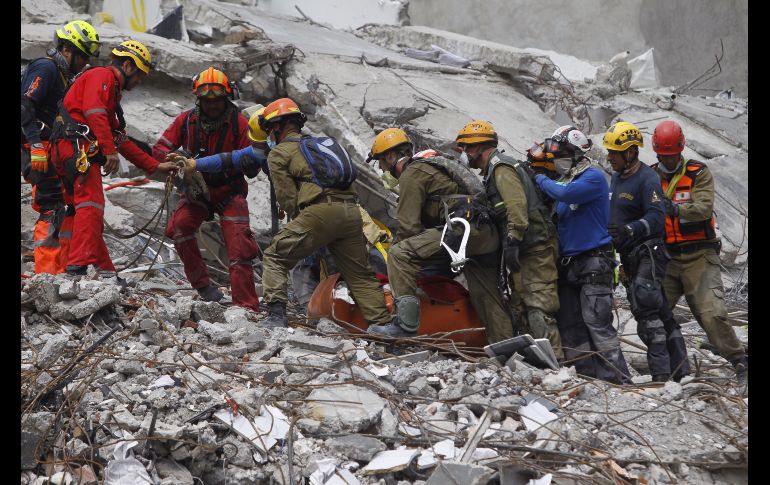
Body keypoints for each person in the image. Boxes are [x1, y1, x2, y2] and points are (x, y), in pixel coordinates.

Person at [366, 127, 516, 343]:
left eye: (381, 162)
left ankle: (404, 326)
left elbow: (408, 228)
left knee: (399, 254)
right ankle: (507, 347)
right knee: (487, 295)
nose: (381, 169)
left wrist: (394, 267)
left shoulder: (412, 172)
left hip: (461, 231)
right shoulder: (433, 164)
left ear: (390, 156)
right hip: (484, 232)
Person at [257, 98, 393, 328]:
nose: (270, 135)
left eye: (270, 130)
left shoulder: (279, 152)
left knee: (275, 255)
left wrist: (305, 224)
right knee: (360, 275)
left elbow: (288, 199)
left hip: (320, 211)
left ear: (278, 126)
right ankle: (384, 328)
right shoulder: (321, 145)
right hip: (352, 212)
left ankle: (275, 317)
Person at [49, 39, 177, 279]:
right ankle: (75, 268)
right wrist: (109, 151)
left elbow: (121, 139)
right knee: (92, 205)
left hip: (66, 150)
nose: (139, 82)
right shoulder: (102, 77)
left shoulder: (109, 90)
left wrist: (154, 165)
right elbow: (94, 113)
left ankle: (106, 271)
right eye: (140, 75)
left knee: (86, 213)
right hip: (77, 148)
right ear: (128, 66)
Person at [153, 67, 260, 311]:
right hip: (197, 191)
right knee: (179, 228)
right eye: (206, 101)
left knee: (240, 247)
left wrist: (249, 163)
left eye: (217, 100)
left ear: (226, 98)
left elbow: (254, 163)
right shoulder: (187, 121)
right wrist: (175, 157)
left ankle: (246, 307)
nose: (212, 106)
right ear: (198, 100)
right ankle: (203, 286)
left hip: (229, 190)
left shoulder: (240, 124)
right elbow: (159, 148)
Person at [453, 121, 563, 356]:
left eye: (465, 148)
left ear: (477, 147)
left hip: (535, 248)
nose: (464, 154)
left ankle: (559, 370)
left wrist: (512, 239)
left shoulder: (501, 168)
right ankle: (540, 366)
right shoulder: (494, 170)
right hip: (525, 248)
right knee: (521, 307)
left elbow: (516, 208)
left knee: (538, 309)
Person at [650, 120, 747, 383]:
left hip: (699, 256)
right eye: (663, 156)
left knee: (712, 313)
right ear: (657, 152)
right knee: (654, 314)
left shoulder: (697, 173)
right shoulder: (649, 177)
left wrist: (677, 210)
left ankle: (739, 361)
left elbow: (703, 208)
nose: (668, 161)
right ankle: (666, 366)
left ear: (681, 150)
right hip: (667, 257)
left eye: (672, 156)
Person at [534, 126, 631, 383]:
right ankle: (589, 379)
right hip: (569, 266)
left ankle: (619, 381)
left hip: (593, 262)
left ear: (577, 153)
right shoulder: (566, 181)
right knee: (571, 326)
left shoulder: (593, 178)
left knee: (597, 324)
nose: (557, 158)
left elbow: (565, 194)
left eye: (563, 152)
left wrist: (538, 178)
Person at [604, 121, 690, 382]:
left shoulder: (647, 178)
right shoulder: (618, 178)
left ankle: (661, 376)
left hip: (648, 252)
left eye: (613, 153)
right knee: (662, 311)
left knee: (647, 311)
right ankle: (681, 371)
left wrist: (630, 230)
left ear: (630, 152)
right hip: (630, 256)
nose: (609, 158)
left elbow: (656, 216)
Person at [21, 20, 101, 274]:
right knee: (51, 203)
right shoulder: (46, 68)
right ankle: (46, 273)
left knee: (66, 206)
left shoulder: (66, 76)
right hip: (32, 145)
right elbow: (24, 106)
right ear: (67, 49)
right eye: (82, 57)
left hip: (48, 148)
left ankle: (62, 269)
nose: (85, 62)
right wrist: (34, 145)